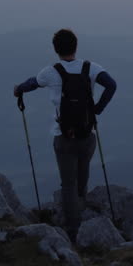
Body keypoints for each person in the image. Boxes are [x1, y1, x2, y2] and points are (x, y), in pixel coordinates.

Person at [13, 29, 117, 242]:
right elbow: (111, 85)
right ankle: (82, 212)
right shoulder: (91, 68)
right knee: (82, 176)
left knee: (68, 184)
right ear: (75, 46)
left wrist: (18, 89)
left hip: (63, 137)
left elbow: (32, 83)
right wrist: (97, 109)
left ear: (55, 49)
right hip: (88, 135)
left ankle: (73, 231)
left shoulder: (51, 72)